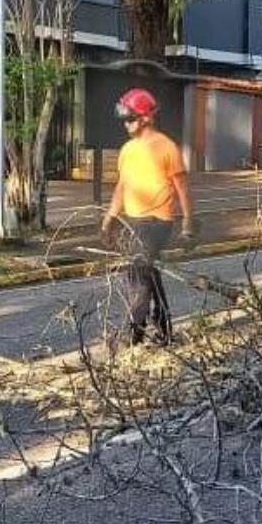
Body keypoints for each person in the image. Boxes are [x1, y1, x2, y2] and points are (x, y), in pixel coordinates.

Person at [101, 88, 195, 345]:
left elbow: (182, 188)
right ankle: (164, 328)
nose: (126, 123)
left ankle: (134, 332)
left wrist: (188, 225)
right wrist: (109, 218)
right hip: (134, 221)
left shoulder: (166, 147)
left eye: (130, 118)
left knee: (137, 275)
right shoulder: (128, 150)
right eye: (124, 118)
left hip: (157, 221)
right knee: (148, 272)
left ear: (146, 118)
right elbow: (122, 186)